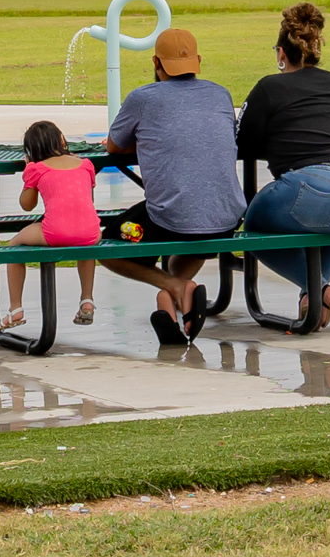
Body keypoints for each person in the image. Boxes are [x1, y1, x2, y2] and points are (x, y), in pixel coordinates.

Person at [235, 1, 330, 333]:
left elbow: (242, 143)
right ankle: (313, 297)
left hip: (317, 190)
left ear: (281, 53)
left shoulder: (269, 87)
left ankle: (320, 289)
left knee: (251, 226)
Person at [104, 24, 246, 345]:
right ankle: (168, 302)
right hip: (225, 220)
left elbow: (113, 146)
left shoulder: (143, 98)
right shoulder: (221, 94)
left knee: (108, 244)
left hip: (169, 223)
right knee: (195, 227)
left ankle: (175, 288)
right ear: (198, 61)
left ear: (156, 63)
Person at [0, 120, 103, 332]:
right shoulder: (86, 164)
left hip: (56, 232)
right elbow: (87, 201)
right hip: (92, 231)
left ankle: (15, 308)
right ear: (62, 140)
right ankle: (87, 299)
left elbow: (27, 205)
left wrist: (28, 174)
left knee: (14, 245)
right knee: (84, 243)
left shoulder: (36, 168)